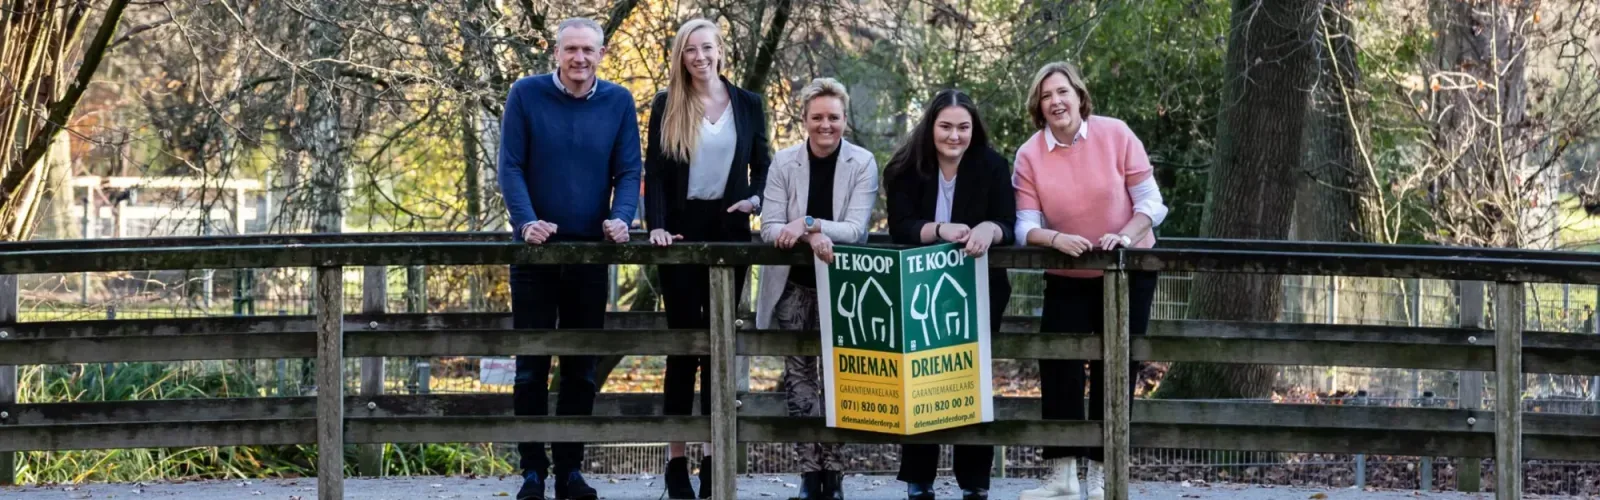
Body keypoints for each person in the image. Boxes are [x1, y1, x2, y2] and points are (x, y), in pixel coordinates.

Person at [496, 17, 641, 500]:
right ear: (555, 53)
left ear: (602, 54)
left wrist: (621, 217)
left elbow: (629, 170)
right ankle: (532, 472)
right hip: (534, 252)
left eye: (588, 50)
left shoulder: (618, 101)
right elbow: (510, 166)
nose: (579, 58)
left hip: (590, 253)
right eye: (571, 49)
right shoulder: (526, 94)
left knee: (581, 368)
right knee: (530, 367)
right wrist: (526, 222)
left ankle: (570, 471)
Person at [1012, 62, 1167, 500]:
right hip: (1067, 272)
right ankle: (1062, 475)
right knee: (1057, 363)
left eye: (1063, 91)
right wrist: (1055, 238)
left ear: (1080, 96)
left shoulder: (1116, 134)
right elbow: (1024, 227)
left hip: (1127, 271)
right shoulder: (1029, 155)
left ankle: (1102, 475)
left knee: (1115, 366)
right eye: (1046, 96)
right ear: (1038, 106)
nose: (1056, 101)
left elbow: (1152, 203)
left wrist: (1125, 236)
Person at [644, 18, 772, 499]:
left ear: (720, 51)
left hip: (730, 230)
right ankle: (676, 461)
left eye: (706, 48)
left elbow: (765, 166)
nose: (699, 57)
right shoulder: (668, 103)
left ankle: (713, 458)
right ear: (681, 57)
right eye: (690, 50)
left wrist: (755, 201)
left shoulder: (748, 103)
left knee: (719, 346)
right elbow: (656, 172)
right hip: (679, 233)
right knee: (684, 347)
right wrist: (655, 225)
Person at [883, 89, 1014, 500]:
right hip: (920, 287)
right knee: (921, 375)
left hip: (978, 288)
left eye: (963, 127)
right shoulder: (904, 168)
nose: (954, 135)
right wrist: (940, 230)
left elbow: (1008, 223)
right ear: (930, 126)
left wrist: (988, 229)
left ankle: (975, 482)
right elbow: (901, 226)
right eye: (945, 126)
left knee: (972, 376)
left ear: (974, 129)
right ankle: (919, 480)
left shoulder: (993, 166)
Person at [755, 77, 879, 500]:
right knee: (799, 379)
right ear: (804, 119)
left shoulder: (862, 162)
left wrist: (809, 224)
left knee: (840, 376)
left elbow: (857, 230)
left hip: (843, 286)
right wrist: (811, 236)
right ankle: (809, 473)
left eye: (834, 117)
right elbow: (770, 227)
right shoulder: (784, 162)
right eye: (818, 117)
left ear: (845, 119)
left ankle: (835, 473)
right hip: (793, 285)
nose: (826, 125)